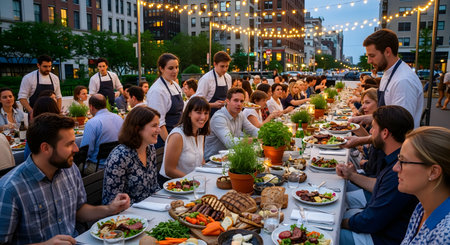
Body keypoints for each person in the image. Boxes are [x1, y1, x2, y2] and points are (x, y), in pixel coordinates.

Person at [0, 113, 130, 244]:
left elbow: (79, 210)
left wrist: (110, 209)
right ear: (45, 148)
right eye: (69, 144)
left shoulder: (70, 169)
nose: (76, 148)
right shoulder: (10, 189)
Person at [338, 105, 418, 245]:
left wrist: (339, 223)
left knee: (326, 234)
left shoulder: (398, 170)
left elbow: (371, 221)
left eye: (373, 128)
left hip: (381, 237)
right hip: (379, 224)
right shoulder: (394, 157)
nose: (371, 133)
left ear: (385, 133)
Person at [351, 29, 423, 129]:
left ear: (387, 51)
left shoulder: (403, 81)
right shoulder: (387, 73)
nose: (368, 61)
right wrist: (369, 118)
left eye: (372, 56)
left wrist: (363, 140)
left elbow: (400, 126)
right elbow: (389, 117)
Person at [394, 127, 450, 244]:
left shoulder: (444, 236)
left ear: (433, 172)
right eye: (399, 159)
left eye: (403, 161)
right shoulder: (422, 207)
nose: (395, 168)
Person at [103, 106, 161, 205]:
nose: (158, 130)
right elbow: (113, 200)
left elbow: (154, 186)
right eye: (154, 126)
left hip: (149, 209)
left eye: (158, 125)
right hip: (126, 216)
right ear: (138, 128)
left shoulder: (150, 149)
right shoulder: (120, 156)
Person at [159, 97, 210, 184]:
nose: (203, 117)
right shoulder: (177, 136)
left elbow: (201, 160)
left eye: (206, 113)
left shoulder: (199, 131)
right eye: (198, 112)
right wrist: (193, 181)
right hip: (173, 184)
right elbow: (169, 170)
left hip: (192, 182)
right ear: (189, 113)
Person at [204, 88, 258, 159]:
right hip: (213, 161)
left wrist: (265, 135)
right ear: (227, 101)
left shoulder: (240, 114)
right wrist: (255, 139)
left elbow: (252, 130)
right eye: (236, 100)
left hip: (230, 158)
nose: (239, 104)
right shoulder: (219, 118)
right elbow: (230, 143)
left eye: (241, 101)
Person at [147, 53, 183, 148]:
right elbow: (159, 123)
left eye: (177, 67)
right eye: (170, 68)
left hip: (177, 135)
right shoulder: (157, 91)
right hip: (163, 140)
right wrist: (170, 144)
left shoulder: (175, 85)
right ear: (161, 69)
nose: (175, 71)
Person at [80, 94, 123, 173]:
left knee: (71, 166)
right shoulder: (119, 118)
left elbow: (85, 152)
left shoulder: (92, 123)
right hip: (118, 163)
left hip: (98, 167)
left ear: (91, 107)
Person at [194, 51, 232, 116]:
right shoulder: (206, 79)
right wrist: (213, 105)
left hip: (224, 114)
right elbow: (197, 102)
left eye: (227, 66)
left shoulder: (228, 77)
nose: (225, 69)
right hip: (208, 114)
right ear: (215, 64)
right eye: (222, 66)